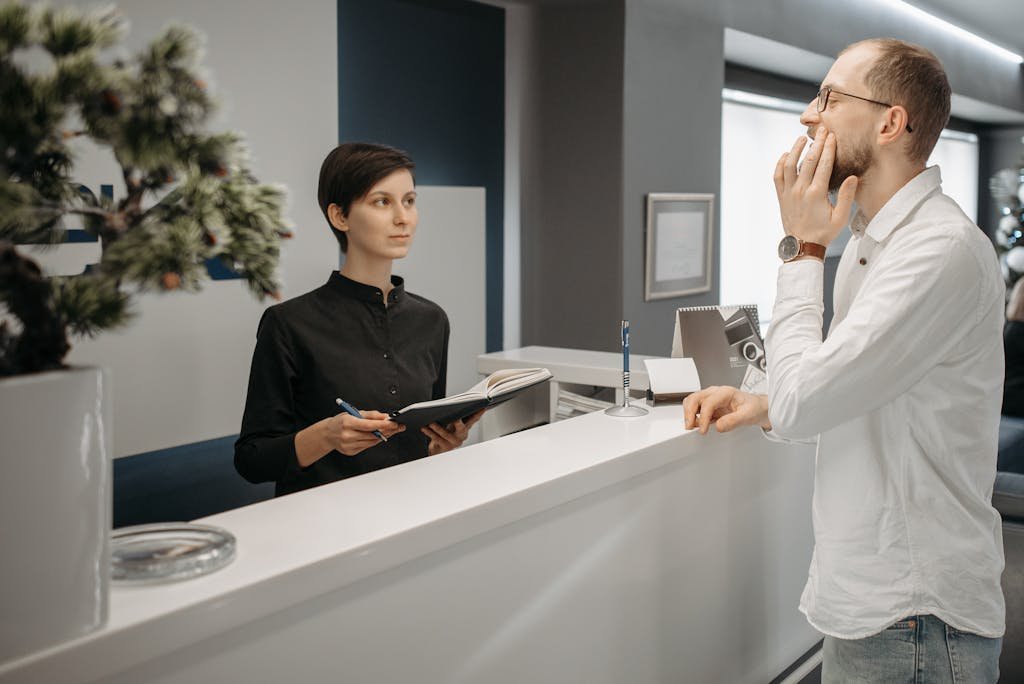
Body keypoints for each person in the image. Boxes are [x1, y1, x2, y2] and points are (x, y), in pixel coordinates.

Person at [683, 39, 1005, 682]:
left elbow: (809, 403)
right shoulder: (871, 242)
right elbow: (840, 392)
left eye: (830, 96)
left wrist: (802, 249)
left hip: (913, 612)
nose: (809, 114)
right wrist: (769, 402)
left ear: (890, 122)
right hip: (878, 603)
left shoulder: (937, 250)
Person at [235, 142, 482, 496]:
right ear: (340, 216)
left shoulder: (432, 320)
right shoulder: (288, 324)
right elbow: (251, 460)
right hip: (323, 526)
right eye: (382, 201)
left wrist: (441, 446)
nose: (403, 217)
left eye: (409, 201)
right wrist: (325, 436)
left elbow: (423, 445)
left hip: (413, 513)